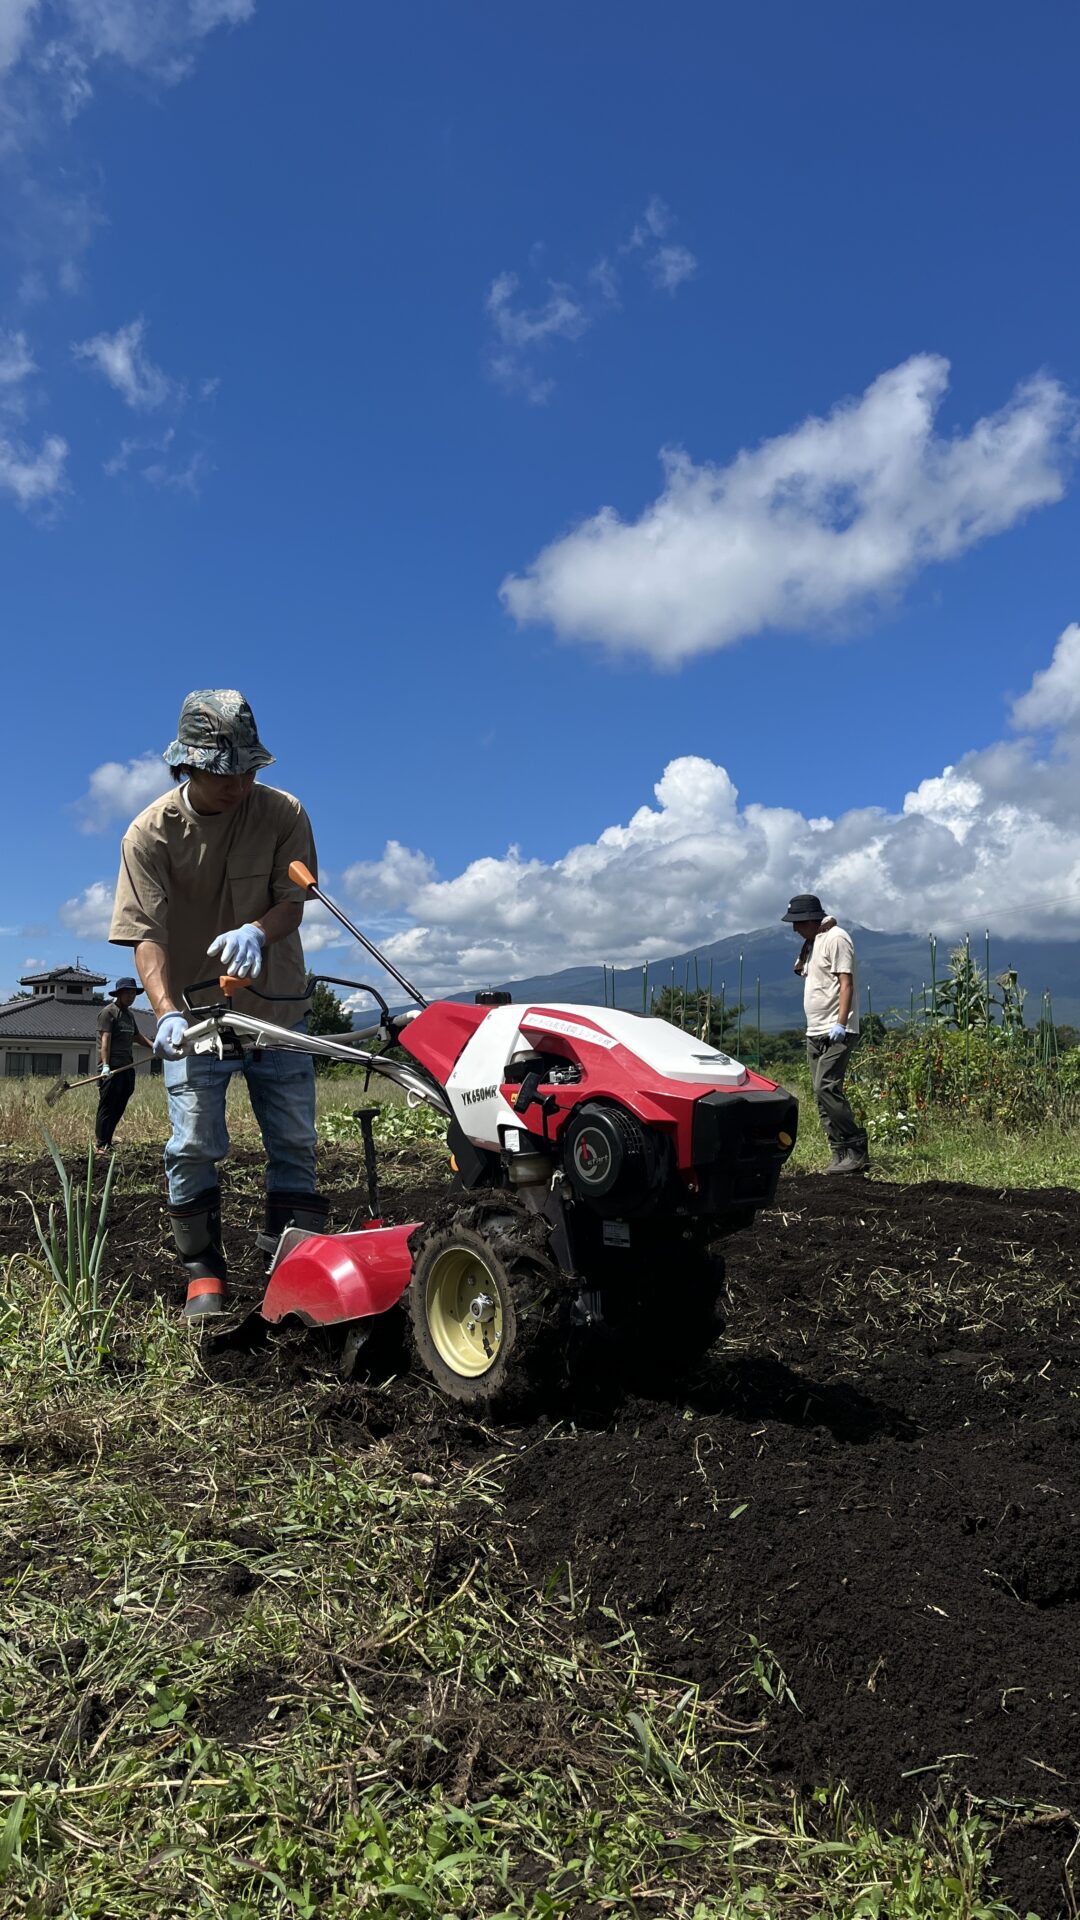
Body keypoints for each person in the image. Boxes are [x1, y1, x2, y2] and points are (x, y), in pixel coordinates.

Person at [109, 690, 328, 1320]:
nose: (239, 784)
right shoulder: (149, 834)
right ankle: (203, 1271)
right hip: (195, 1015)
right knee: (194, 1142)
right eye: (223, 772)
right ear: (187, 765)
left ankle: (291, 1264)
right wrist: (166, 1012)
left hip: (277, 1006)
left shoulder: (283, 813)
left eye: (248, 770)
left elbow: (291, 903)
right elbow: (145, 933)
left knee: (294, 1139)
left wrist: (258, 931)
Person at [782, 893, 869, 1175]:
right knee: (821, 1097)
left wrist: (841, 1024)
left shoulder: (837, 938)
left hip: (836, 1029)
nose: (795, 929)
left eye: (797, 923)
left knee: (826, 1087)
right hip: (815, 1029)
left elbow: (846, 983)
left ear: (810, 919)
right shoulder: (813, 942)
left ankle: (856, 1148)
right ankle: (839, 1153)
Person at [95, 976, 153, 1156]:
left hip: (127, 1067)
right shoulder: (109, 1013)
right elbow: (105, 1041)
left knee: (120, 1105)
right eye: (128, 993)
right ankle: (100, 1144)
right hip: (111, 1069)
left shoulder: (129, 1015)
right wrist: (106, 1066)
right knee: (107, 1106)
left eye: (133, 993)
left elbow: (137, 1036)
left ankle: (108, 1141)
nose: (131, 997)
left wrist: (155, 1046)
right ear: (119, 994)